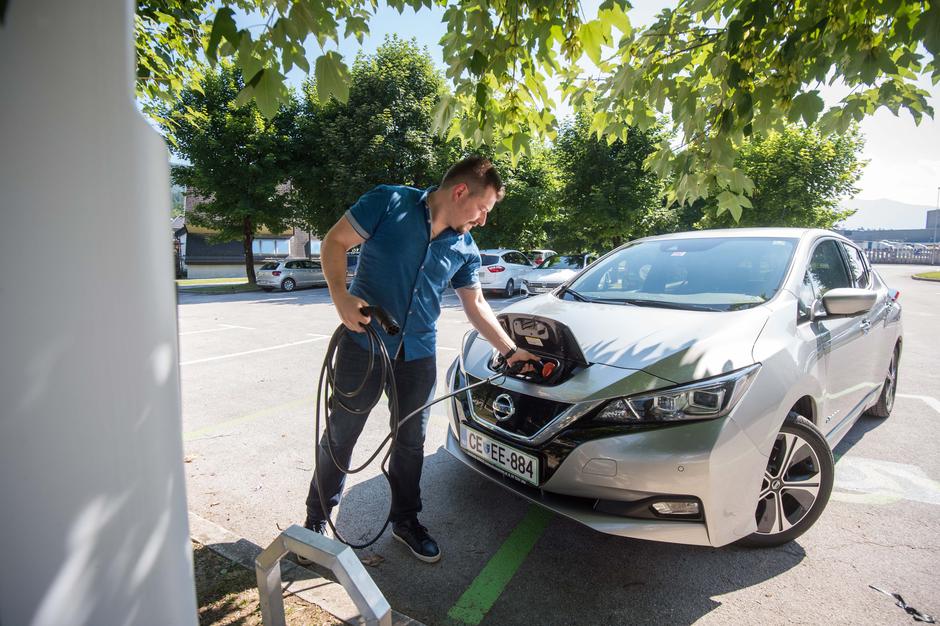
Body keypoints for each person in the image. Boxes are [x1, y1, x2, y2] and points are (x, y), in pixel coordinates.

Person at [304, 156, 537, 563]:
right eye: (482, 209)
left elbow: (477, 304)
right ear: (460, 191)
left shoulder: (465, 247)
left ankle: (406, 521)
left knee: (411, 442)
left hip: (418, 356)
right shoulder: (388, 202)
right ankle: (316, 519)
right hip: (363, 346)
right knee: (342, 434)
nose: (483, 221)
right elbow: (335, 242)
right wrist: (341, 296)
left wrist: (510, 350)